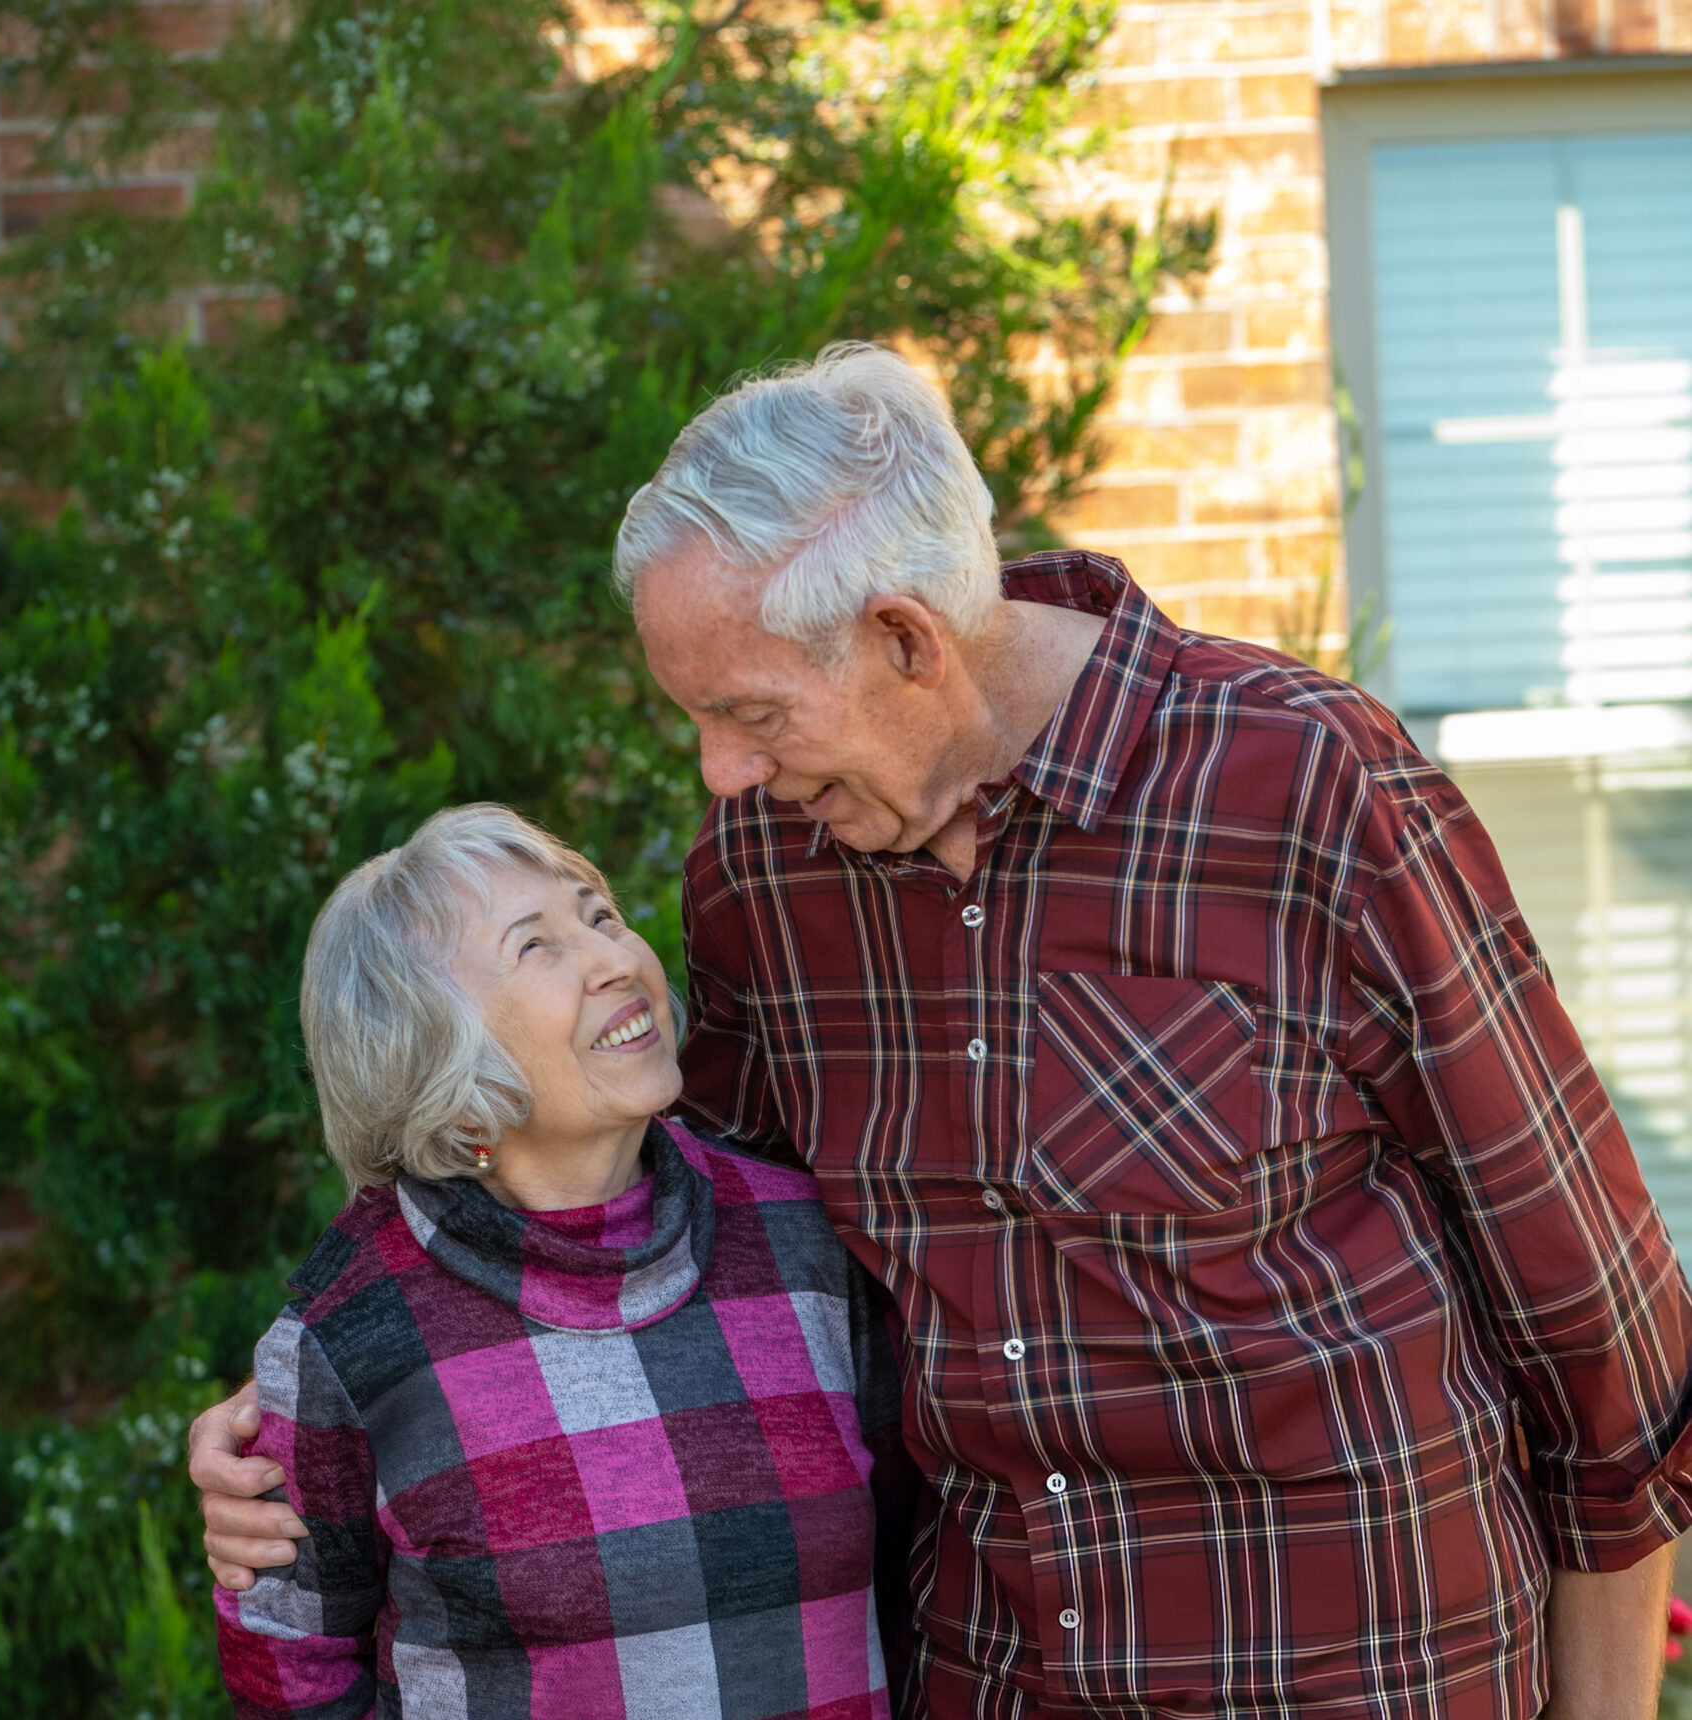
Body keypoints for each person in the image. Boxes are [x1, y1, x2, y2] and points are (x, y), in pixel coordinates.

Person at [194, 346, 1692, 1718]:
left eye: (752, 715)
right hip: (991, 1679)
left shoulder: (1303, 786)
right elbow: (663, 1230)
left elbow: (1599, 1343)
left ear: (906, 640)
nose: (720, 773)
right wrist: (313, 1421)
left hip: (1356, 1673)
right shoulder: (767, 877)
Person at [211, 802, 916, 1719]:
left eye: (600, 915)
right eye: (535, 946)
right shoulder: (351, 1338)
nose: (617, 959)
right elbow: (292, 1673)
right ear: (430, 1052)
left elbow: (920, 1564)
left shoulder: (805, 1239)